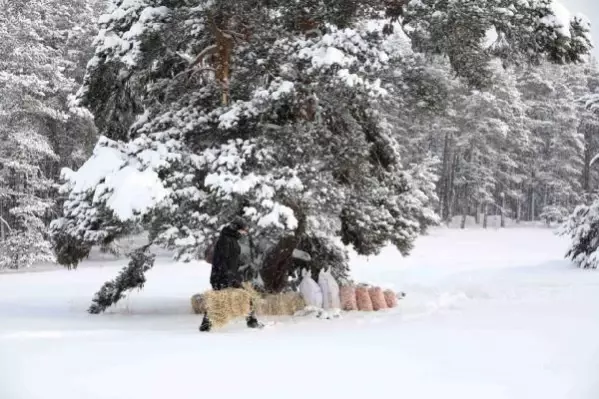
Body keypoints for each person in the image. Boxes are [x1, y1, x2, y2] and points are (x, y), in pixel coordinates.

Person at [200, 217, 263, 332]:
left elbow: (233, 260)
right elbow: (222, 260)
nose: (244, 232)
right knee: (219, 299)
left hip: (229, 275)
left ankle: (251, 321)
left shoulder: (231, 239)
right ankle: (206, 325)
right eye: (243, 229)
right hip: (222, 277)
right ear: (235, 228)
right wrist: (228, 276)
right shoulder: (225, 240)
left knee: (243, 296)